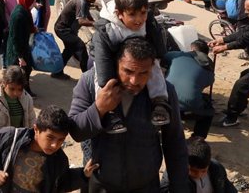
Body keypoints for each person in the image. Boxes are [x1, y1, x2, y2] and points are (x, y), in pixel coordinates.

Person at [68, 38, 190, 192]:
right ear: (115, 63)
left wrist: (179, 188)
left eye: (143, 73)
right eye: (128, 71)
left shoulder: (163, 93)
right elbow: (76, 132)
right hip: (101, 184)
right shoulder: (90, 83)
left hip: (145, 185)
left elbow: (175, 143)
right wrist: (99, 108)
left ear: (152, 68)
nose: (134, 80)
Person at [93, 0, 171, 134]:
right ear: (119, 14)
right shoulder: (107, 28)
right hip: (110, 59)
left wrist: (159, 56)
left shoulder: (148, 22)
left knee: (154, 67)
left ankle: (160, 103)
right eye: (132, 15)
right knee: (101, 82)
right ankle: (110, 113)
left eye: (142, 13)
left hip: (139, 59)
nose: (138, 20)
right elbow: (103, 57)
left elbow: (158, 45)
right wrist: (106, 79)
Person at [0, 106, 95, 193]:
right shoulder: (12, 137)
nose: (55, 145)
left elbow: (62, 183)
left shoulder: (59, 160)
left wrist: (83, 175)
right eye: (50, 137)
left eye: (61, 140)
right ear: (36, 129)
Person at [162, 40, 215, 138]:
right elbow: (206, 84)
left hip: (164, 103)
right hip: (188, 107)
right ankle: (198, 138)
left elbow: (163, 60)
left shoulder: (174, 55)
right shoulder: (208, 69)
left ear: (191, 48)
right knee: (209, 109)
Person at [53, 0, 99, 79]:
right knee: (80, 46)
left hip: (68, 29)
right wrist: (96, 24)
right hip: (63, 30)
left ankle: (57, 72)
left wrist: (95, 21)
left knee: (69, 50)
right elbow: (81, 21)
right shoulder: (81, 1)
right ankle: (87, 77)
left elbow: (87, 13)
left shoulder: (86, 1)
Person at [161, 136, 236, 193]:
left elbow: (228, 189)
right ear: (184, 163)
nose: (199, 175)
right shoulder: (172, 177)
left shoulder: (216, 168)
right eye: (193, 171)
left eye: (203, 171)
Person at [5, 0, 39, 97]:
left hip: (23, 46)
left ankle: (25, 90)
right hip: (17, 50)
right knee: (18, 73)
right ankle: (18, 93)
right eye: (33, 2)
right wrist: (20, 57)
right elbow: (15, 38)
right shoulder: (18, 16)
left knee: (27, 70)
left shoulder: (24, 10)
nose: (34, 4)